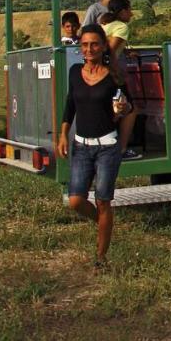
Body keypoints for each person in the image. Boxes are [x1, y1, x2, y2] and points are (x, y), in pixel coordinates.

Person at [56, 25, 131, 268]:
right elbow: (70, 104)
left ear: (103, 47)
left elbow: (126, 107)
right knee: (76, 200)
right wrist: (63, 134)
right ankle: (103, 223)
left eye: (94, 44)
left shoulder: (113, 76)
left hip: (107, 146)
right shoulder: (75, 72)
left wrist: (122, 110)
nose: (89, 49)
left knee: (103, 200)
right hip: (81, 146)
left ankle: (100, 257)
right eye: (85, 44)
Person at [99, 0, 140, 159]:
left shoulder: (104, 24)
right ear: (122, 11)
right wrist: (117, 75)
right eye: (129, 10)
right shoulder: (121, 27)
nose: (131, 14)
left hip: (97, 74)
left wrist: (126, 51)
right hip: (110, 75)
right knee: (130, 110)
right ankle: (121, 149)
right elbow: (109, 51)